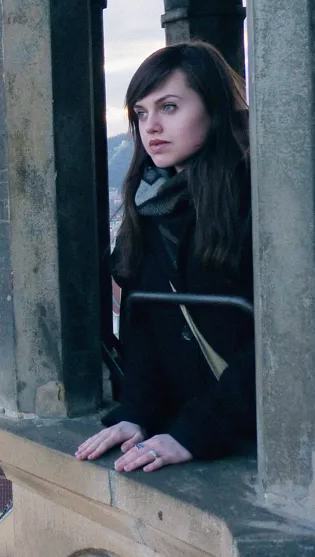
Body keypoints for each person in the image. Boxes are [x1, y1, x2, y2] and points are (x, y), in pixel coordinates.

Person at [75, 41, 254, 473]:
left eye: (169, 107)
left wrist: (199, 430)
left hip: (249, 430)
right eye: (140, 113)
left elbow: (281, 335)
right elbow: (145, 321)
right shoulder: (151, 203)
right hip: (187, 419)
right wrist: (137, 411)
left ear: (214, 107)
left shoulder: (257, 198)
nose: (150, 126)